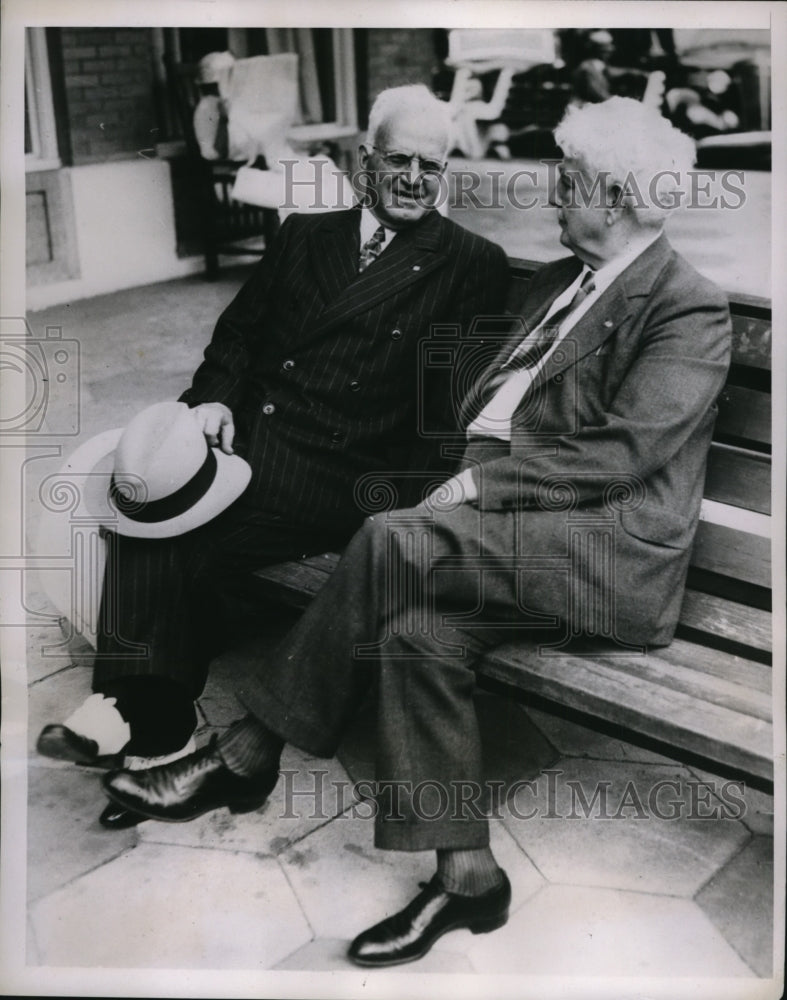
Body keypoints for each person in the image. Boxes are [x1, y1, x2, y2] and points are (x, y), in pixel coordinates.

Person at [100, 96, 732, 967]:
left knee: (393, 540)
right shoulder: (557, 282)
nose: (554, 188)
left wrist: (473, 481)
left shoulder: (683, 308)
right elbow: (466, 397)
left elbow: (623, 453)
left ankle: (247, 750)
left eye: (570, 178)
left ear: (615, 197)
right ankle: (468, 877)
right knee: (416, 632)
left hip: (603, 552)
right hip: (507, 533)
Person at [36, 84, 510, 828]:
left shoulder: (468, 263)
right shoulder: (304, 235)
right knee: (143, 492)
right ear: (364, 162)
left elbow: (444, 414)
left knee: (179, 531)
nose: (417, 179)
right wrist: (213, 401)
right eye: (400, 161)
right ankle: (150, 731)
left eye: (432, 165)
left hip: (346, 473)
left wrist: (412, 506)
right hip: (250, 440)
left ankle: (145, 728)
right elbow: (237, 337)